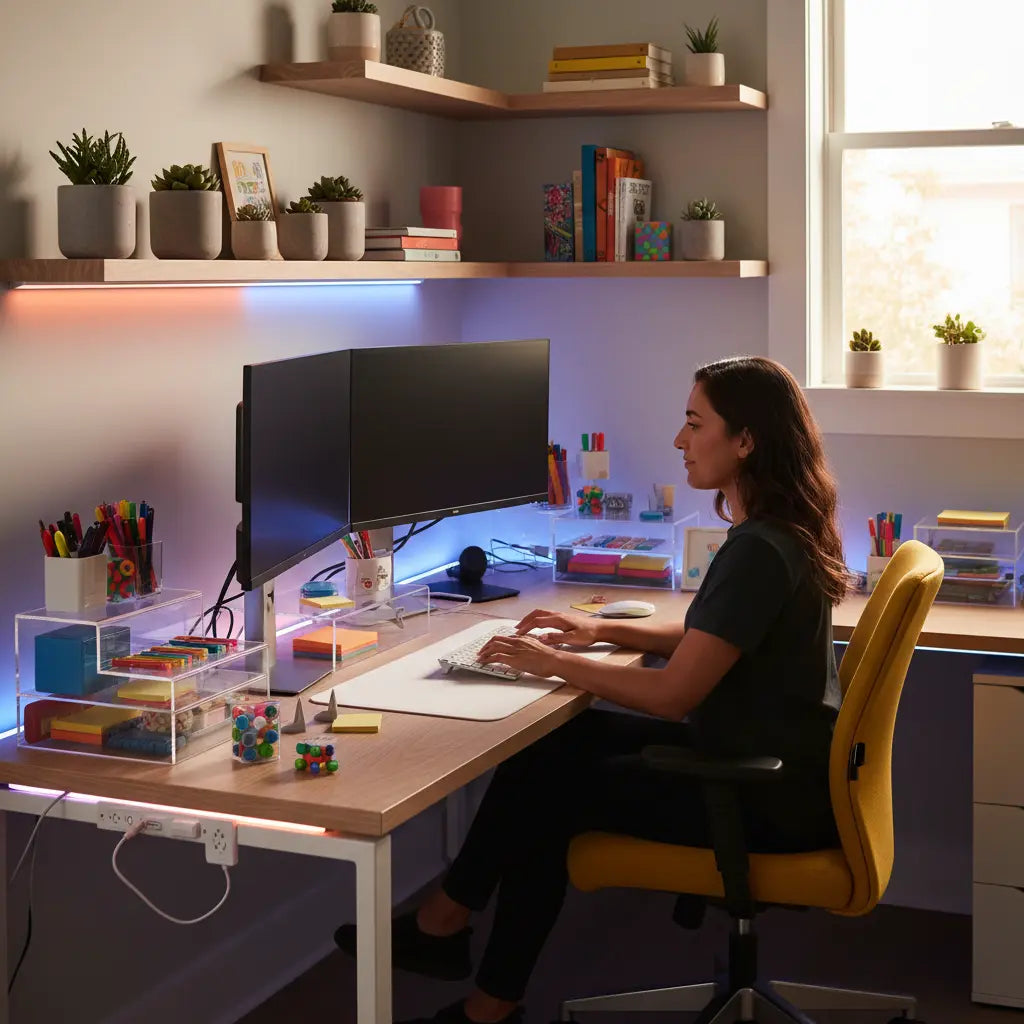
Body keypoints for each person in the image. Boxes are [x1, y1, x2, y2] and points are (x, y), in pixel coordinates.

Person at [335, 355, 849, 1024]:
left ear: (746, 440)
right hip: (782, 770)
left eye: (695, 423)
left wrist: (549, 662)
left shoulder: (757, 551)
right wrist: (596, 628)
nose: (679, 440)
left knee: (549, 793)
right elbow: (711, 639)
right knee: (556, 742)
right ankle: (455, 942)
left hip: (759, 794)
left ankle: (467, 967)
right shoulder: (778, 535)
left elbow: (672, 698)